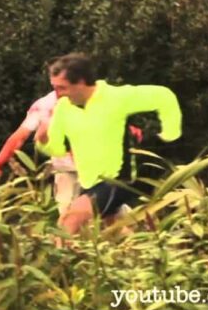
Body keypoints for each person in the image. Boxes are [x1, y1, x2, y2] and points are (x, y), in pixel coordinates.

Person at [36, 53, 182, 241]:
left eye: (62, 88)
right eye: (54, 88)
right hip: (88, 181)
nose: (57, 94)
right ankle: (153, 255)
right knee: (114, 234)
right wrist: (42, 139)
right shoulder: (63, 108)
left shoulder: (115, 97)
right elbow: (56, 150)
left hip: (118, 179)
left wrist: (170, 133)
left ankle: (59, 268)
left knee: (68, 222)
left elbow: (164, 96)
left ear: (81, 82)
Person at [0, 89, 143, 215]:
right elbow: (19, 137)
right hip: (65, 171)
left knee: (111, 215)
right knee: (67, 218)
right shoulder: (43, 105)